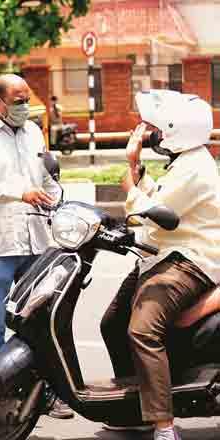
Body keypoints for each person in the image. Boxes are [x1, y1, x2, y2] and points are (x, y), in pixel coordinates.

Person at [100, 90, 220, 440]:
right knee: (112, 323)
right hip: (163, 255)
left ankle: (164, 426)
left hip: (190, 262)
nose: (154, 135)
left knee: (142, 331)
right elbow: (162, 199)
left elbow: (149, 214)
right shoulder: (186, 161)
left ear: (175, 131)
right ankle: (133, 408)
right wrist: (138, 171)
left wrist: (129, 175)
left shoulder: (194, 168)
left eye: (158, 129)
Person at [0, 73, 73, 419]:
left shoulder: (34, 132)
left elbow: (46, 177)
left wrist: (57, 199)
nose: (25, 106)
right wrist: (17, 193)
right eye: (18, 101)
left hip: (37, 240)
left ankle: (45, 392)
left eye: (27, 99)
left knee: (40, 321)